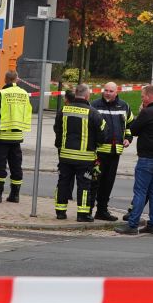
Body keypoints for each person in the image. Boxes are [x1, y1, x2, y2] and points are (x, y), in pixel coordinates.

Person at [116, 85, 153, 235]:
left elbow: (133, 130)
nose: (141, 99)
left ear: (148, 96)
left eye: (142, 96)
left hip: (148, 158)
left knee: (140, 191)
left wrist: (141, 112)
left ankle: (132, 225)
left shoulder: (147, 112)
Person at [54, 84, 106, 222]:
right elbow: (103, 134)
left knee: (63, 182)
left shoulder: (63, 110)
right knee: (84, 185)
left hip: (65, 156)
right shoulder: (94, 113)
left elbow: (57, 129)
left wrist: (60, 145)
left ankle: (60, 212)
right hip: (85, 159)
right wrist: (96, 144)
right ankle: (82, 214)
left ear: (75, 93)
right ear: (87, 95)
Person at [0, 70, 32, 203]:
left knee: (0, 165)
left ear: (5, 79)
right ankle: (15, 195)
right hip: (17, 136)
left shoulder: (2, 93)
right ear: (17, 79)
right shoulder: (24, 93)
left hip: (2, 136)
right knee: (16, 166)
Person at [90, 82, 133, 220]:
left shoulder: (124, 106)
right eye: (106, 90)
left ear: (117, 92)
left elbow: (129, 124)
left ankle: (102, 211)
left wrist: (128, 138)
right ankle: (87, 210)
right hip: (98, 152)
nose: (107, 93)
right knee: (94, 182)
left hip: (115, 152)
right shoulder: (94, 105)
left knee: (108, 183)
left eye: (111, 91)